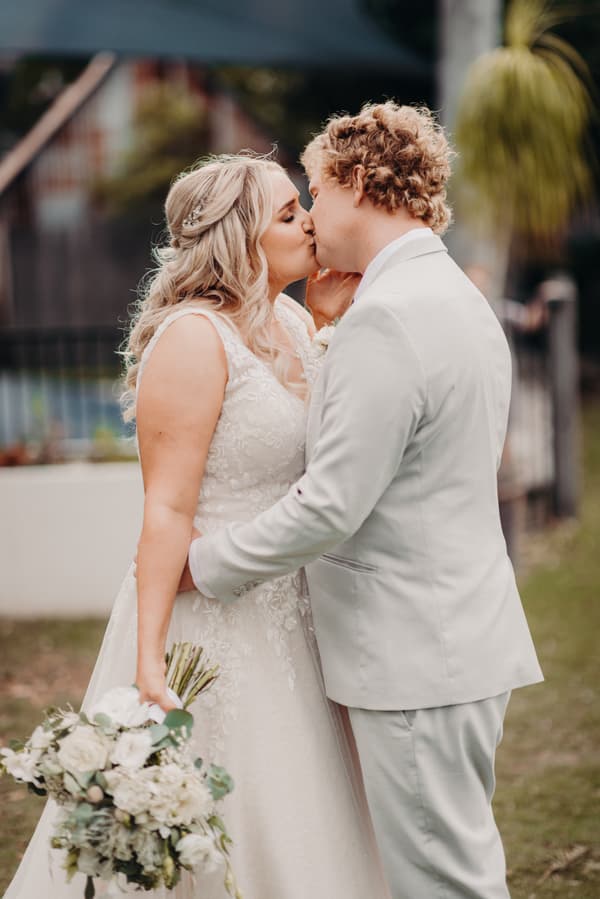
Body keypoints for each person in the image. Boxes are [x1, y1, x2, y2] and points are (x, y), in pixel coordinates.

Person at [183, 103, 544, 898]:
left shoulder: (390, 318)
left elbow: (329, 506)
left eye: (313, 191)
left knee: (441, 882)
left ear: (356, 182)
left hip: (416, 653)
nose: (309, 216)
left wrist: (203, 562)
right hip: (456, 634)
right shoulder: (449, 295)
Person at [4, 154, 389, 898]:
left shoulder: (286, 317)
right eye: (286, 214)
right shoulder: (192, 338)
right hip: (209, 615)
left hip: (293, 610)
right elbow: (168, 508)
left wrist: (329, 315)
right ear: (240, 238)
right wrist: (149, 661)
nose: (309, 220)